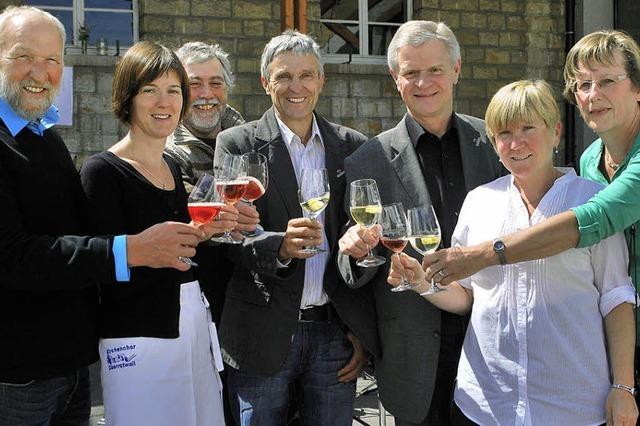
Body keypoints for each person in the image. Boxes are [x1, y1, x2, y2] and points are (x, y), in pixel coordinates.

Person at [388, 79, 638, 426]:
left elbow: (617, 298)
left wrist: (623, 387)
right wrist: (421, 282)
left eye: (528, 128)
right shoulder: (479, 201)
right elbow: (467, 296)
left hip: (572, 404)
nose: (515, 143)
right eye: (503, 133)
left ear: (556, 132)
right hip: (486, 403)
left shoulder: (590, 200)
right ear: (493, 141)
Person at [0, 6, 205, 425]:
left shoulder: (44, 138)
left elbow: (78, 237)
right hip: (19, 375)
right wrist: (128, 250)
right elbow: (11, 256)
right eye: (24, 56)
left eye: (53, 60)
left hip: (71, 365)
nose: (40, 71)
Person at [337, 20, 503, 425]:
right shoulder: (368, 159)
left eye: (435, 70)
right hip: (411, 357)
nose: (423, 82)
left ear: (457, 69)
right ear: (395, 77)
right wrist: (357, 250)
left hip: (493, 346)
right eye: (411, 72)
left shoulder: (497, 144)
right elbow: (348, 269)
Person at [214, 30, 374, 425]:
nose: (295, 87)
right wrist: (279, 247)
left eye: (306, 75)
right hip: (261, 336)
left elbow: (364, 237)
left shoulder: (351, 146)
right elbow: (231, 233)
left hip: (333, 338)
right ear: (266, 83)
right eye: (284, 76)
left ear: (321, 81)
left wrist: (358, 329)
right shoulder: (236, 144)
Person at [79, 41, 238, 425]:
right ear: (128, 98)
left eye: (173, 90)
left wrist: (202, 234)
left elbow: (175, 250)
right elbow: (95, 267)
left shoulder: (171, 163)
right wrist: (142, 251)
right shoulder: (102, 171)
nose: (163, 101)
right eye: (150, 90)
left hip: (194, 329)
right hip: (137, 342)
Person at [165, 41, 245, 193]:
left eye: (215, 83)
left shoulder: (250, 140)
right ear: (177, 91)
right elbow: (194, 208)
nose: (207, 94)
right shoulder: (169, 154)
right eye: (194, 84)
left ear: (227, 88)